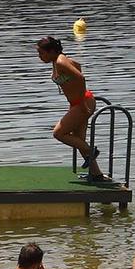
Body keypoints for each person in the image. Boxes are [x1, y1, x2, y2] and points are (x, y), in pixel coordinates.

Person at [35, 36, 102, 180]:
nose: (40, 57)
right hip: (76, 103)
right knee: (78, 139)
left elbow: (80, 77)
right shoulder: (59, 60)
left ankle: (91, 151)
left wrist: (82, 103)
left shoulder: (60, 61)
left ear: (52, 51)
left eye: (42, 53)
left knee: (58, 133)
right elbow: (77, 65)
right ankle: (97, 175)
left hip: (83, 103)